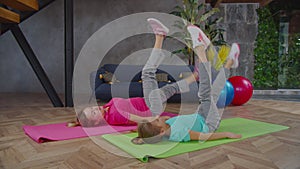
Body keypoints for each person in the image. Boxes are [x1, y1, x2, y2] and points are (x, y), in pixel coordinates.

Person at [131, 19, 242, 144]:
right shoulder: (177, 133)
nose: (157, 117)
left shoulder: (164, 125)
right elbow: (202, 136)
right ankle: (201, 50)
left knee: (213, 93)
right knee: (206, 94)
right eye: (156, 120)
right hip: (208, 122)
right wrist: (226, 134)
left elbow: (162, 121)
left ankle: (230, 62)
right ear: (162, 131)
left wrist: (144, 135)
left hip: (200, 115)